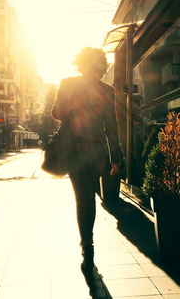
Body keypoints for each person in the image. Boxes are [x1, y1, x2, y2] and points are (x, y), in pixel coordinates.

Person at [52, 47, 121, 272]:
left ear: (79, 64)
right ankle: (88, 243)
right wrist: (115, 158)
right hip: (96, 150)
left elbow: (56, 113)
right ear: (102, 66)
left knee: (81, 197)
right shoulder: (106, 90)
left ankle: (87, 244)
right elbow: (111, 125)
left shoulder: (68, 83)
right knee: (88, 196)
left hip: (73, 148)